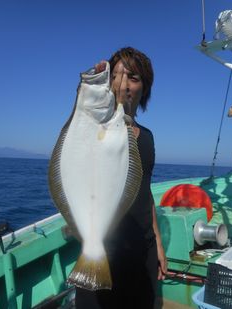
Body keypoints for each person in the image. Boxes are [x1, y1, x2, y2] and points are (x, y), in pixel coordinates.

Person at [75, 47, 167, 309]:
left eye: (132, 78)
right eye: (115, 76)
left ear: (144, 89)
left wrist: (158, 244)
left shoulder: (147, 138)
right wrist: (89, 85)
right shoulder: (95, 130)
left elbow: (145, 192)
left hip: (143, 251)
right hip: (102, 251)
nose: (122, 84)